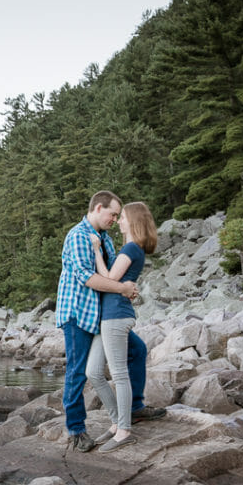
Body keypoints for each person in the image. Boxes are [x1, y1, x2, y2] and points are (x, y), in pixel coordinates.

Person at [56, 191, 163, 453]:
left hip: (104, 315)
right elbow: (88, 277)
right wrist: (123, 288)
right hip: (79, 313)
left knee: (137, 351)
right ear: (98, 208)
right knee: (79, 371)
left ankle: (132, 410)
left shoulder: (104, 238)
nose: (115, 220)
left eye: (119, 216)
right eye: (112, 214)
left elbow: (117, 272)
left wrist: (127, 287)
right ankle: (77, 430)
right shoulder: (79, 236)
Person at [87, 201, 159, 451]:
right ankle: (117, 422)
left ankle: (124, 430)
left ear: (134, 221)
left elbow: (109, 278)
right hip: (109, 316)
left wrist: (96, 251)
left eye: (123, 217)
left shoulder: (131, 247)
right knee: (93, 372)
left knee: (119, 374)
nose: (119, 221)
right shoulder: (131, 248)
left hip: (116, 315)